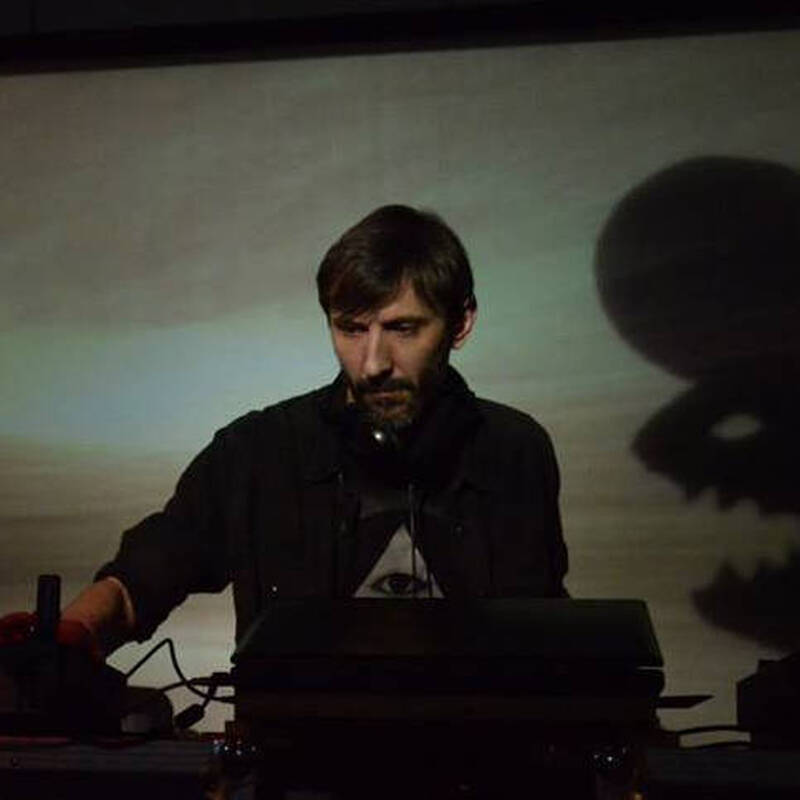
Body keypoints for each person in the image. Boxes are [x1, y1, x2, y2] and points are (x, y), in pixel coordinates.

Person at [60, 204, 568, 655]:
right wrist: (70, 637)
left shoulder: (516, 450)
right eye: (351, 329)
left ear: (461, 323)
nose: (373, 363)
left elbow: (545, 625)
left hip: (477, 736)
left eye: (402, 328)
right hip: (295, 735)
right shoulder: (256, 451)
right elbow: (140, 579)